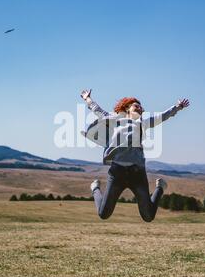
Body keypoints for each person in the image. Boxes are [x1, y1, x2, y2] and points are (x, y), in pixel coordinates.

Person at [80, 89, 190, 222]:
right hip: (117, 173)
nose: (139, 108)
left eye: (141, 107)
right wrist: (87, 98)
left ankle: (160, 187)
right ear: (127, 108)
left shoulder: (142, 123)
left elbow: (162, 116)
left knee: (148, 216)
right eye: (136, 105)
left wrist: (177, 107)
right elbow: (97, 109)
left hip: (137, 173)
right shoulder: (114, 119)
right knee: (103, 214)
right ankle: (95, 188)